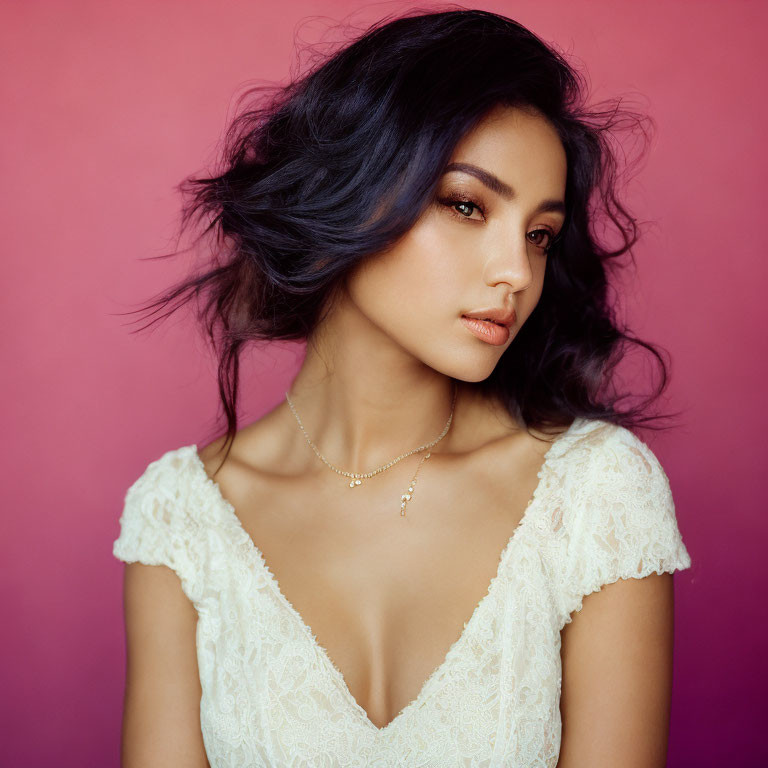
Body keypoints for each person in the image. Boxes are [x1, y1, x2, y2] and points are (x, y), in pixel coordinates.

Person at [112, 8, 692, 767]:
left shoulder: (594, 497)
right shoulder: (183, 518)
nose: (516, 272)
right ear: (355, 191)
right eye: (466, 205)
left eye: (538, 234)